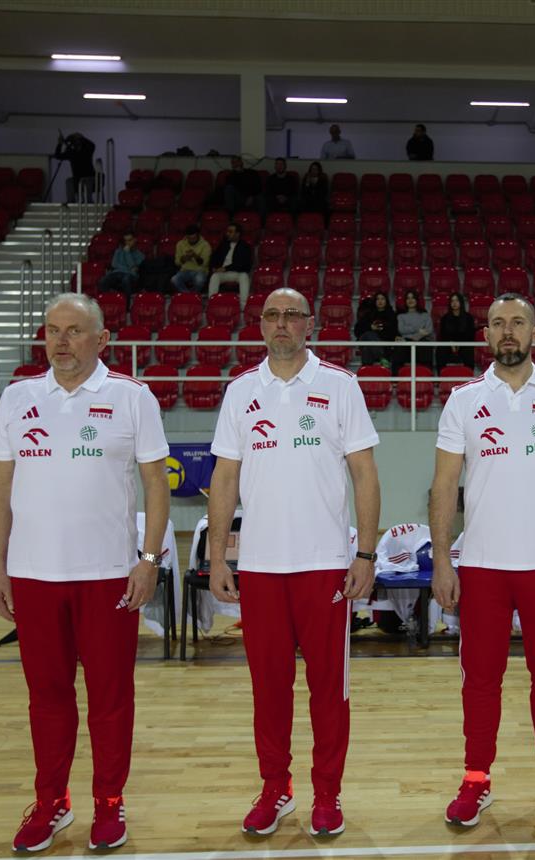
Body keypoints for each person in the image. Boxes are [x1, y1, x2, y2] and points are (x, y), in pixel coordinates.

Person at [0, 292, 170, 853]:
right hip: (34, 576)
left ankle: (109, 802)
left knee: (111, 698)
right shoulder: (17, 397)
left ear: (102, 339)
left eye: (74, 330)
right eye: (52, 330)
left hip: (108, 575)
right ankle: (52, 802)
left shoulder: (132, 397)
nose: (60, 341)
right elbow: (0, 489)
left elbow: (157, 486)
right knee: (47, 697)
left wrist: (148, 560)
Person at [206, 287, 381, 838]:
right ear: (260, 325)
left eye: (292, 315)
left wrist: (366, 552)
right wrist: (217, 556)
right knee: (269, 689)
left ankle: (327, 793)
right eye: (272, 316)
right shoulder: (240, 391)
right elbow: (224, 479)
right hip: (260, 567)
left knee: (329, 690)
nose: (281, 323)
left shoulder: (340, 385)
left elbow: (365, 475)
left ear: (310, 324)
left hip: (324, 565)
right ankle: (275, 789)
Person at [429, 293, 535, 831]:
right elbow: (444, 486)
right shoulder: (463, 401)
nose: (508, 331)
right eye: (498, 323)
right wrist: (442, 560)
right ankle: (475, 779)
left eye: (518, 323)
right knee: (480, 680)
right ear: (485, 335)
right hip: (482, 568)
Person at [207, 223, 254, 305]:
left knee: (244, 277)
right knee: (214, 277)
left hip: (238, 273)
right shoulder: (223, 244)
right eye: (227, 231)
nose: (227, 233)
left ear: (237, 234)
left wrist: (226, 268)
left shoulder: (245, 246)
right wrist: (214, 267)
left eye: (230, 232)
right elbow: (214, 258)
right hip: (223, 272)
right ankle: (212, 303)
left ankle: (243, 305)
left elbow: (244, 265)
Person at [354, 293, 398, 369]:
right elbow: (357, 330)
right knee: (369, 334)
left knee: (367, 349)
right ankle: (382, 358)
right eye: (378, 299)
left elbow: (393, 333)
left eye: (382, 299)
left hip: (383, 344)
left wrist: (382, 330)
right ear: (375, 301)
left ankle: (366, 372)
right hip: (367, 339)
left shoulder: (392, 315)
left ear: (386, 301)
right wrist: (371, 327)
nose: (380, 301)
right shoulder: (368, 314)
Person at [435, 292, 475, 372]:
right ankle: (440, 375)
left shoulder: (468, 318)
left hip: (464, 344)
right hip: (449, 344)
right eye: (452, 301)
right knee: (441, 350)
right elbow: (443, 335)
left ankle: (470, 374)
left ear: (461, 302)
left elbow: (470, 334)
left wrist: (460, 344)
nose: (454, 303)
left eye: (457, 300)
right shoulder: (445, 318)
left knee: (469, 350)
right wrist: (450, 343)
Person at [54, 132, 97, 202]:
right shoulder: (72, 153)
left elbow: (92, 145)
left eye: (77, 141)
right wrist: (60, 144)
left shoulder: (87, 150)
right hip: (77, 179)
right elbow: (57, 156)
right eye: (74, 141)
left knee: (86, 181)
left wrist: (81, 137)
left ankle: (88, 202)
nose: (76, 143)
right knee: (69, 182)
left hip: (89, 178)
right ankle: (71, 202)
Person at [396, 290, 433, 369]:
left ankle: (426, 373)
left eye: (412, 298)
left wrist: (416, 336)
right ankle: (398, 374)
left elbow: (429, 330)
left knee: (425, 345)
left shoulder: (425, 315)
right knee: (400, 346)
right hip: (406, 342)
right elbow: (402, 330)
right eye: (408, 298)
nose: (410, 300)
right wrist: (419, 329)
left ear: (416, 300)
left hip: (422, 340)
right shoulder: (401, 316)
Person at [171, 224, 211, 294]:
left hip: (200, 270)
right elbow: (177, 262)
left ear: (198, 236)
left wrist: (195, 256)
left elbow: (205, 263)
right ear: (186, 236)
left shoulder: (205, 245)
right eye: (189, 238)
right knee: (174, 280)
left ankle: (192, 295)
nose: (192, 240)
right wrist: (185, 258)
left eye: (194, 238)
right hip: (185, 270)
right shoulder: (180, 244)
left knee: (199, 280)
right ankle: (188, 295)